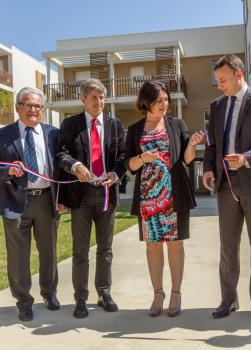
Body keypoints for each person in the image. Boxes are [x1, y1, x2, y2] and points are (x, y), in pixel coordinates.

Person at [203, 55, 251, 323]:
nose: (220, 86)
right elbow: (212, 145)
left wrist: (247, 157)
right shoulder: (215, 107)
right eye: (217, 81)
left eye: (223, 80)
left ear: (239, 74)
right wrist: (208, 169)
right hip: (226, 185)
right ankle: (228, 299)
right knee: (228, 246)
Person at [125, 80, 204, 317]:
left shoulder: (177, 124)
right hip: (148, 198)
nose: (164, 104)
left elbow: (187, 159)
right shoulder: (135, 130)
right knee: (153, 246)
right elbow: (129, 164)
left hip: (174, 194)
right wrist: (142, 158)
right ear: (146, 102)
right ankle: (157, 293)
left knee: (176, 245)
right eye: (159, 100)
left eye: (166, 99)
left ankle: (176, 293)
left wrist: (191, 144)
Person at [57, 78, 126, 319]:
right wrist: (75, 165)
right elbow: (61, 154)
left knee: (105, 249)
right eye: (94, 97)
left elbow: (123, 157)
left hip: (107, 194)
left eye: (102, 97)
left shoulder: (115, 124)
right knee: (80, 251)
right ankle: (81, 298)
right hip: (80, 196)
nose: (99, 102)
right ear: (83, 99)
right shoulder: (70, 124)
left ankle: (104, 292)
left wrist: (116, 173)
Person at [0, 87, 61, 322]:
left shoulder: (53, 134)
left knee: (49, 251)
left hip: (46, 200)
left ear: (42, 110)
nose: (33, 110)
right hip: (16, 203)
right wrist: (7, 170)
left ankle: (49, 293)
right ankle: (24, 301)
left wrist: (62, 199)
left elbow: (61, 163)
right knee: (18, 256)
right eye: (28, 105)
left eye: (37, 106)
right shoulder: (4, 135)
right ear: (18, 107)